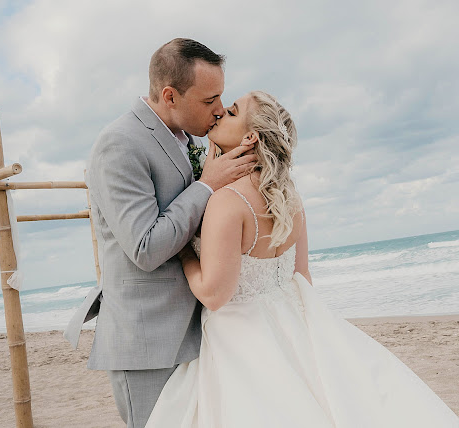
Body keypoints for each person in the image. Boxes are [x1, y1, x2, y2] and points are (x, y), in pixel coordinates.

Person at [145, 91, 459, 427]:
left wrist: (183, 252)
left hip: (240, 338)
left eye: (232, 112)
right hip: (293, 321)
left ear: (251, 137)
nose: (220, 113)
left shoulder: (228, 201)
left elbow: (214, 295)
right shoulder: (288, 195)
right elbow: (302, 275)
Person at [63, 38, 257, 428]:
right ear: (170, 95)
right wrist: (206, 185)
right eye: (209, 100)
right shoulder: (119, 144)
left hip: (199, 334)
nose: (219, 110)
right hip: (147, 344)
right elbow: (145, 247)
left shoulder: (188, 140)